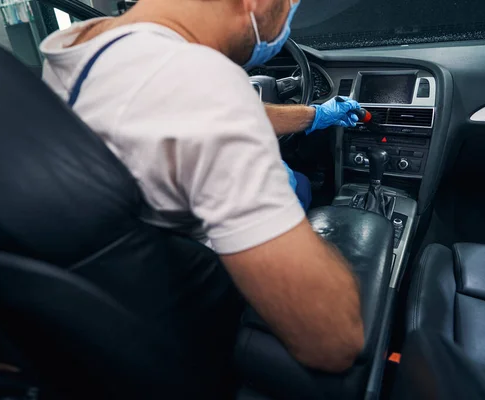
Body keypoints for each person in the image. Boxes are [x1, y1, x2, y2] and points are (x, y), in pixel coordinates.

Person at [40, 0, 363, 374]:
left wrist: (314, 116)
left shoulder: (84, 46)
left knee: (302, 183)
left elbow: (175, 108)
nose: (290, 15)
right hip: (204, 316)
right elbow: (333, 341)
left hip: (114, 311)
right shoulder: (200, 81)